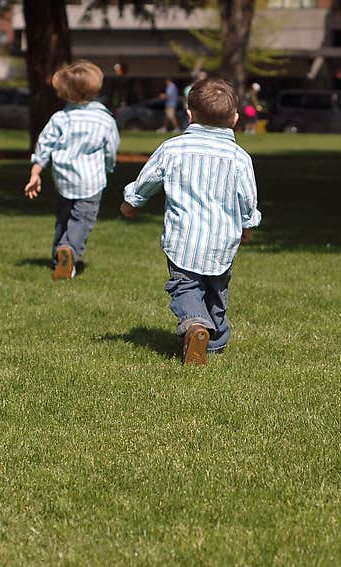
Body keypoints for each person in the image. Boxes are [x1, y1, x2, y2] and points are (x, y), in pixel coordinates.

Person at [120, 77, 262, 366]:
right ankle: (213, 344)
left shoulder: (172, 149)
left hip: (183, 240)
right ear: (235, 118)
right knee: (216, 292)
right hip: (222, 243)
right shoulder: (239, 157)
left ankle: (196, 326)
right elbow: (247, 197)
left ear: (189, 114)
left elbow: (148, 179)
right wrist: (248, 225)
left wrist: (131, 202)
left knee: (185, 287)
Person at [24, 60, 120, 281]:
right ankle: (68, 251)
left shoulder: (60, 118)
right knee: (82, 220)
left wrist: (36, 172)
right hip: (91, 181)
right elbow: (111, 147)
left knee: (64, 217)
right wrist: (109, 165)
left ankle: (59, 255)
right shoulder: (104, 119)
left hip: (64, 180)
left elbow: (44, 145)